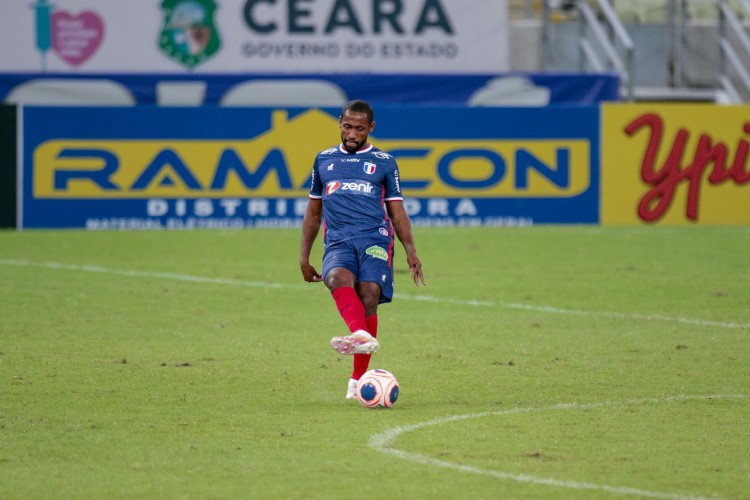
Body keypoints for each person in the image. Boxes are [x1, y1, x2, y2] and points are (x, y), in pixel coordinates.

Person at [299, 99, 425, 399]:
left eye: (359, 129)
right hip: (339, 240)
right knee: (336, 279)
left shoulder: (384, 162)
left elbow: (397, 212)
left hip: (375, 239)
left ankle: (356, 381)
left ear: (371, 128)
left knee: (369, 293)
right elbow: (314, 212)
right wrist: (304, 256)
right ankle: (361, 335)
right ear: (340, 124)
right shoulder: (323, 160)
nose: (352, 134)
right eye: (346, 127)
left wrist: (411, 250)